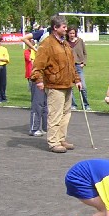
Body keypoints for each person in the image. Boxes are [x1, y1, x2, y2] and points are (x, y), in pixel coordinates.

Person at [30, 14, 81, 153]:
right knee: (55, 114)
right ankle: (53, 142)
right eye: (63, 27)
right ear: (55, 28)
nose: (66, 29)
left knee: (66, 114)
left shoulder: (65, 44)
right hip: (55, 85)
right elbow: (38, 65)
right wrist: (38, 80)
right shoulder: (47, 44)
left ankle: (61, 138)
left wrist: (77, 79)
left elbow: (71, 65)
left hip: (67, 84)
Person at [67, 26, 91, 111]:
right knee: (70, 87)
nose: (72, 35)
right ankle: (73, 104)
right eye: (70, 33)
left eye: (73, 33)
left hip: (78, 66)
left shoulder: (80, 41)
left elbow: (85, 53)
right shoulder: (65, 42)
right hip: (69, 67)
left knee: (83, 86)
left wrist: (83, 63)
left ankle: (85, 104)